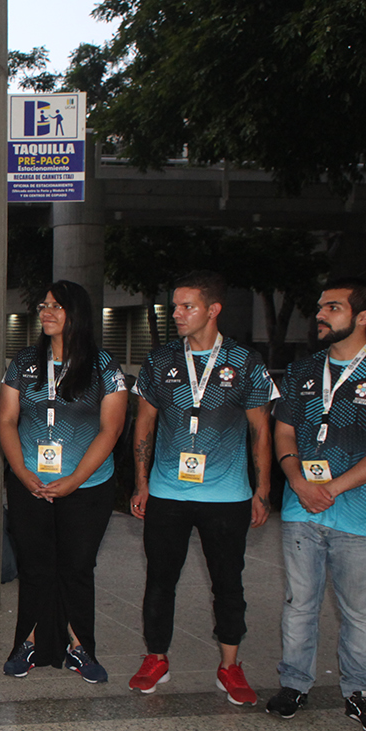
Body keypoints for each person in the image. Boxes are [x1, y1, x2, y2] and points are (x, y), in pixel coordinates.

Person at [268, 277, 366, 731]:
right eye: (320, 307)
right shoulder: (301, 371)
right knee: (299, 604)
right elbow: (284, 431)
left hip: (358, 515)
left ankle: (360, 694)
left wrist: (332, 487)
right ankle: (293, 684)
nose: (320, 315)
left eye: (332, 308)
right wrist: (298, 479)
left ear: (364, 316)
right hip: (301, 510)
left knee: (359, 611)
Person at [127, 271, 277, 704]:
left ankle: (230, 666)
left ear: (213, 310)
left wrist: (262, 489)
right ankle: (157, 657)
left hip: (227, 496)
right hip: (168, 493)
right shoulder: (160, 360)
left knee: (228, 583)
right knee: (159, 580)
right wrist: (140, 482)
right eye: (174, 306)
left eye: (186, 306)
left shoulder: (245, 362)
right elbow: (145, 422)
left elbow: (261, 431)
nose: (176, 314)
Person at [0, 280, 127, 683]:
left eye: (57, 306)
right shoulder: (24, 362)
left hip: (86, 487)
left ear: (77, 313)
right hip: (29, 482)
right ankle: (30, 642)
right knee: (35, 566)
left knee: (76, 566)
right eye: (44, 305)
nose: (46, 312)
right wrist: (21, 473)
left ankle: (79, 648)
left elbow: (111, 429)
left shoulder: (104, 366)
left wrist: (74, 479)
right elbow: (6, 419)